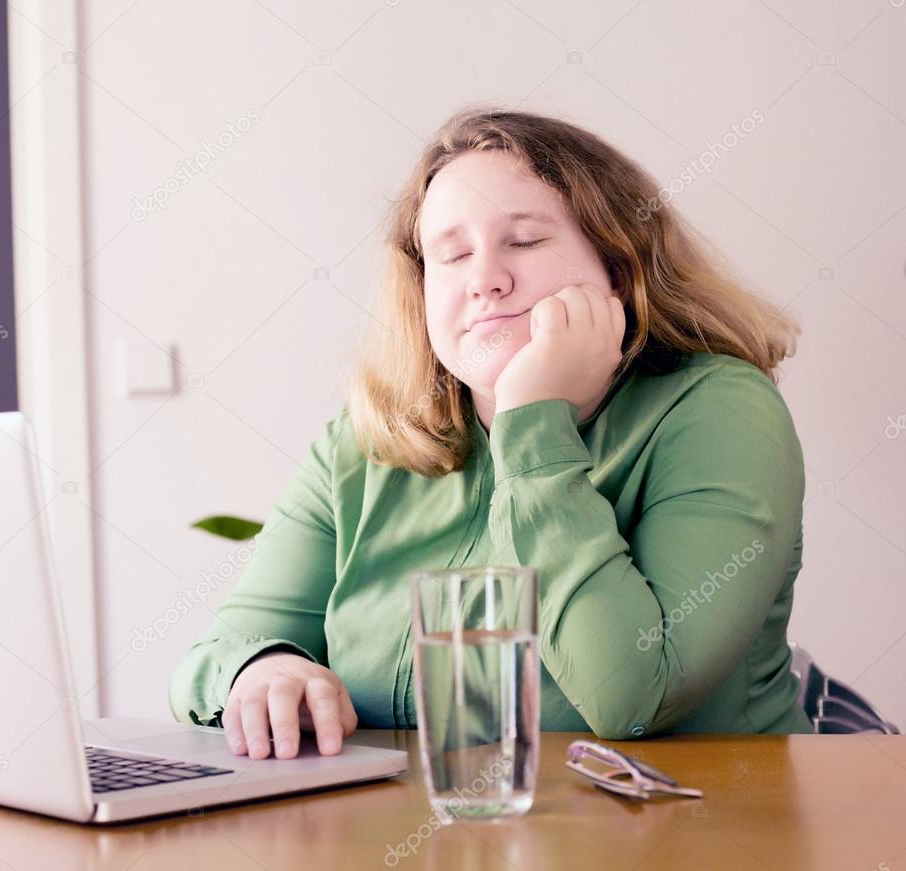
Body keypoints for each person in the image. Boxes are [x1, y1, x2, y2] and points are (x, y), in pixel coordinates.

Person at [168, 105, 811, 760]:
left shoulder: (721, 412)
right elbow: (215, 658)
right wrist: (261, 669)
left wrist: (531, 422)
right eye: (451, 255)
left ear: (617, 266)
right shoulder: (365, 442)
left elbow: (633, 695)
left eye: (525, 241)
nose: (485, 280)